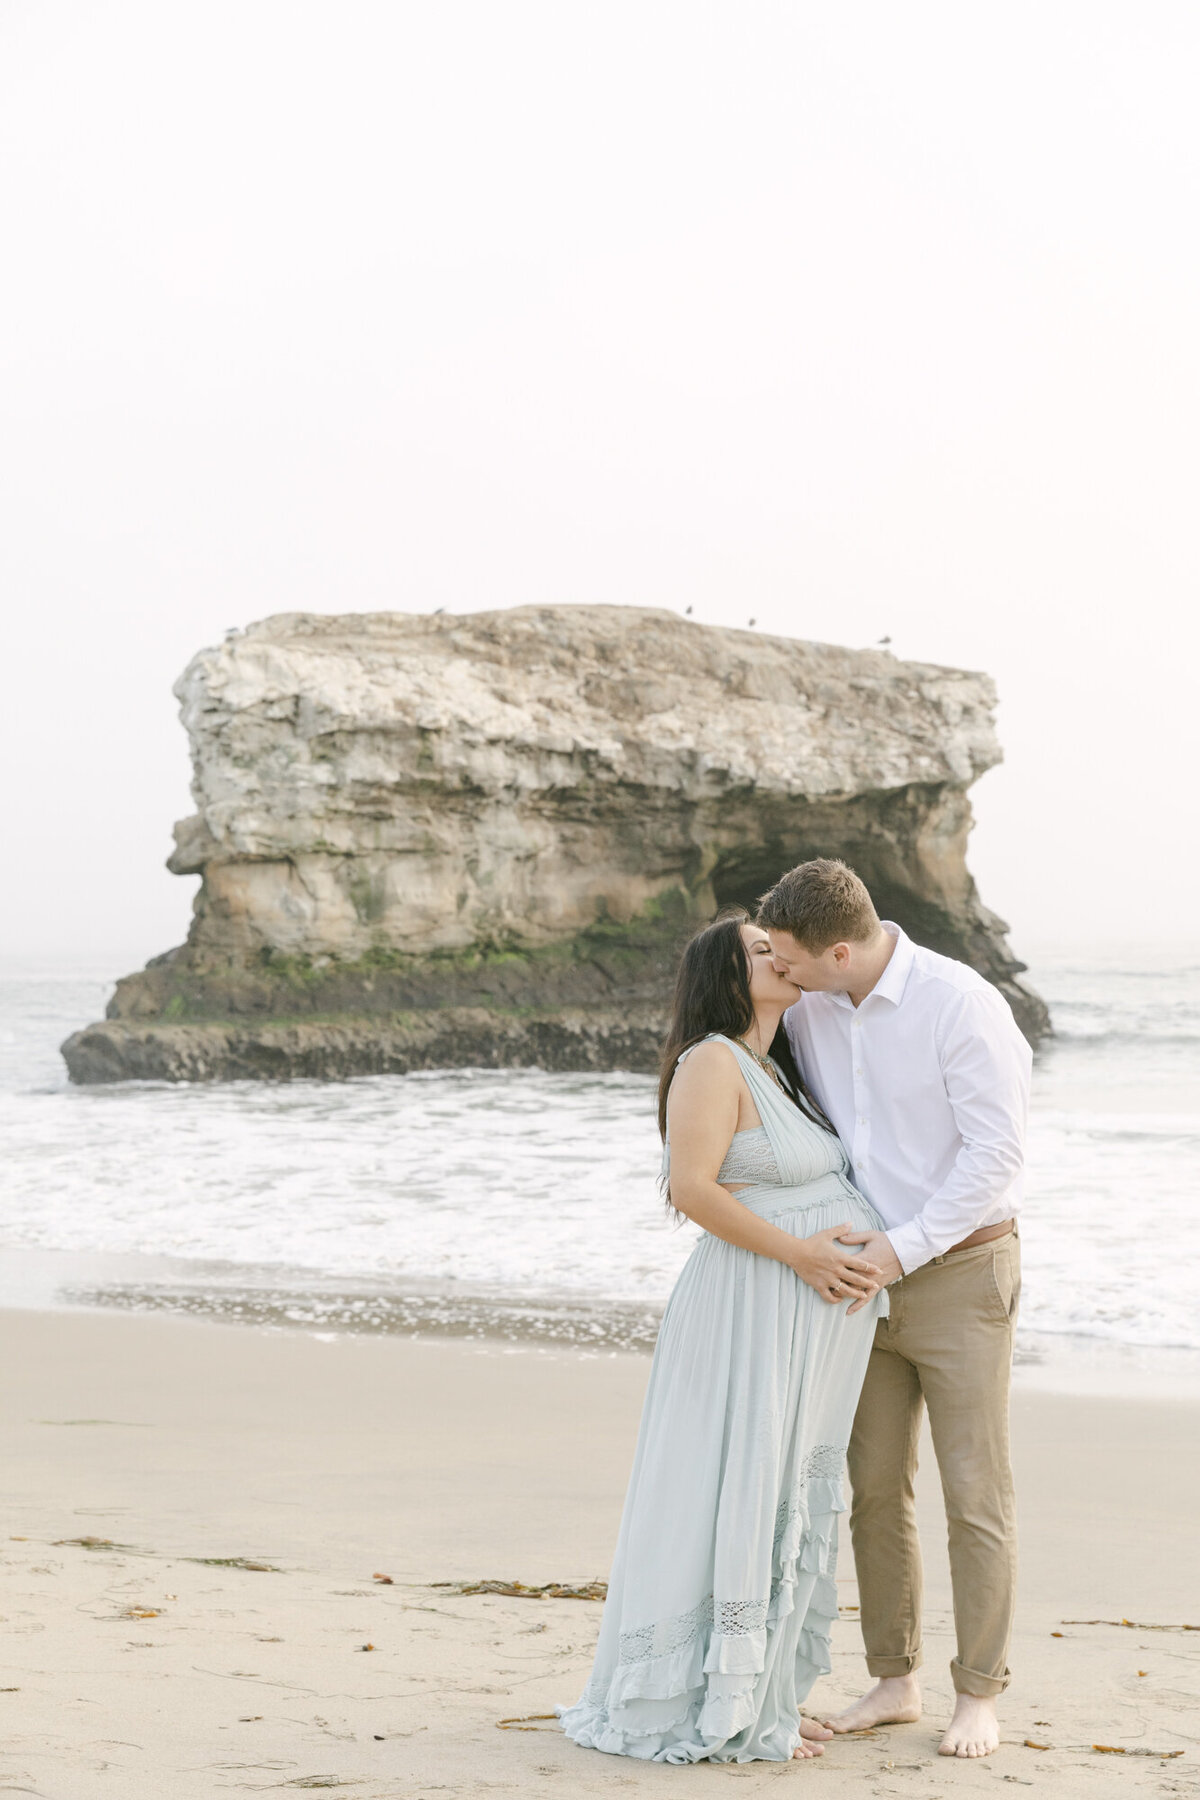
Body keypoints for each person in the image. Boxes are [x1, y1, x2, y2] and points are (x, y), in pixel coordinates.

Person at [559, 911, 888, 1764]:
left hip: (797, 1320)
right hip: (748, 1306)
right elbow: (692, 1189)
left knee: (781, 1490)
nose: (778, 954)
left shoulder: (780, 1068)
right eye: (757, 950)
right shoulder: (711, 1061)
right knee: (733, 1486)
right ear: (724, 974)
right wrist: (803, 1254)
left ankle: (766, 1688)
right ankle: (717, 1701)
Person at [758, 859, 1032, 1760]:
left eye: (792, 961)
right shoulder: (811, 1004)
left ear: (841, 950)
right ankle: (894, 1678)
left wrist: (902, 1249)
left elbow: (994, 1159)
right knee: (873, 1489)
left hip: (961, 1272)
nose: (782, 974)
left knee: (973, 1492)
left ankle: (979, 1693)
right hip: (860, 1281)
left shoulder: (962, 1006)